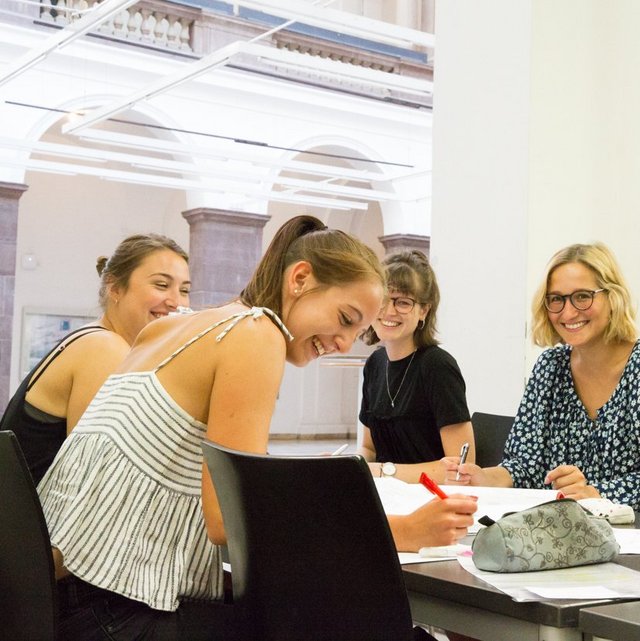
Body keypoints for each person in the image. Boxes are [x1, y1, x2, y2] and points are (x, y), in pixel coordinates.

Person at [38, 216, 477, 640]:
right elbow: (229, 518)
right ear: (300, 278)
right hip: (118, 610)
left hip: (61, 597)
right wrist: (398, 530)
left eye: (358, 331)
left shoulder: (176, 326)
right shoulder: (257, 332)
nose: (345, 343)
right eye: (345, 319)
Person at [445, 242, 640, 518]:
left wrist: (595, 494)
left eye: (582, 297)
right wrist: (483, 479)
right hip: (564, 539)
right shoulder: (550, 367)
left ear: (613, 297)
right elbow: (523, 465)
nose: (568, 313)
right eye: (556, 299)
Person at [0, 233, 190, 484]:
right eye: (161, 285)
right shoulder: (104, 347)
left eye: (185, 290)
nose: (176, 302)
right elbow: (93, 474)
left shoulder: (103, 342)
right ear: (115, 288)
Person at [358, 250, 475, 483]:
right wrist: (348, 466)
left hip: (430, 499)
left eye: (403, 302)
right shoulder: (375, 364)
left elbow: (462, 466)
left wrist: (384, 472)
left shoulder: (437, 366)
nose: (389, 311)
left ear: (424, 310)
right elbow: (368, 449)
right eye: (383, 300)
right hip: (384, 495)